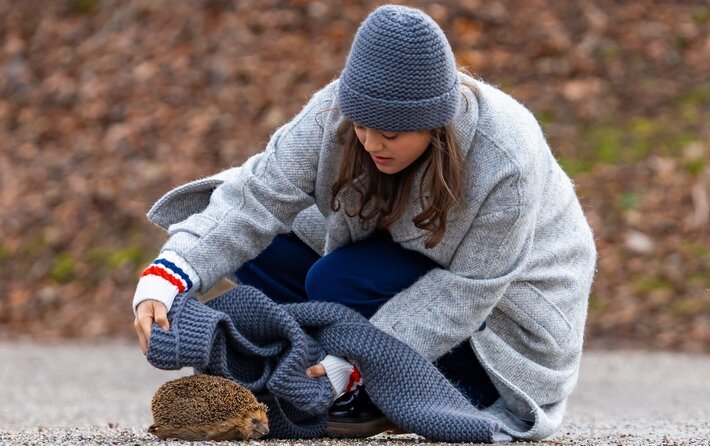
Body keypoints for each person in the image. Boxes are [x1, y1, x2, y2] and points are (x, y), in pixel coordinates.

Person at [132, 4, 596, 441]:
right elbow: (256, 195)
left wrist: (355, 362)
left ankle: (366, 381)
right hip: (389, 263)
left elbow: (470, 288)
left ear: (435, 125)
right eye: (361, 126)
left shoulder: (506, 159)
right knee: (262, 245)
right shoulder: (336, 111)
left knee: (339, 279)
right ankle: (322, 356)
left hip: (498, 326)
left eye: (391, 133)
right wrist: (168, 275)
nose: (372, 143)